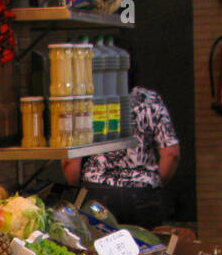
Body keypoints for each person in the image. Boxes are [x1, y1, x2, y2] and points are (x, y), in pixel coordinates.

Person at [61, 77, 179, 230]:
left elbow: (70, 161)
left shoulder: (84, 101)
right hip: (143, 195)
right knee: (146, 250)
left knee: (98, 251)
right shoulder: (150, 100)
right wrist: (150, 183)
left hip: (97, 195)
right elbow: (171, 154)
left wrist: (79, 191)